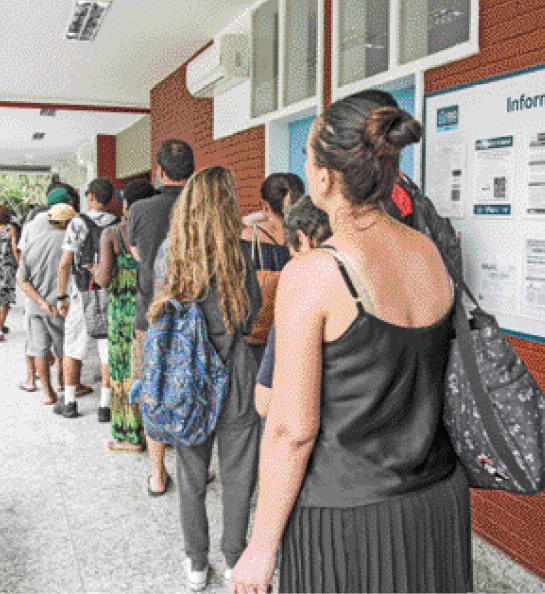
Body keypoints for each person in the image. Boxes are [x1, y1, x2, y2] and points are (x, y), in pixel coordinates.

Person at [230, 93, 472, 594]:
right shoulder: (429, 250)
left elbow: (291, 430)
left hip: (346, 519)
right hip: (437, 501)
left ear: (322, 178)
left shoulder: (314, 273)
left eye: (306, 158)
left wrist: (261, 545)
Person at [149, 166, 262, 592]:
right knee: (238, 476)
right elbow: (251, 311)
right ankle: (235, 559)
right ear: (226, 205)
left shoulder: (169, 253)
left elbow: (160, 312)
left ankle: (197, 565)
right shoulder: (237, 252)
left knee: (192, 476)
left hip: (185, 379)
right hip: (234, 372)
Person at [127, 139, 194, 495]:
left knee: (153, 392)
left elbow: (139, 255)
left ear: (159, 172)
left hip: (149, 317)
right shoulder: (202, 208)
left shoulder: (139, 209)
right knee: (191, 389)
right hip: (194, 318)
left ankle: (157, 473)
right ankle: (195, 468)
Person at [254, 195, 332, 418]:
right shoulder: (381, 279)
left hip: (321, 436)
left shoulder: (300, 298)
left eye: (293, 254)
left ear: (303, 239)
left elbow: (265, 403)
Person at [94, 179, 156, 452]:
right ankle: (158, 435)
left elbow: (104, 279)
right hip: (153, 310)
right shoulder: (160, 231)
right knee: (151, 369)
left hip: (123, 315)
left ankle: (129, 436)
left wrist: (95, 269)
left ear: (127, 204)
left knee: (122, 370)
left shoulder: (113, 234)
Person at [56, 178, 118, 420]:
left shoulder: (77, 223)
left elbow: (64, 263)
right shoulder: (119, 223)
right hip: (109, 294)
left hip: (81, 293)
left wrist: (61, 295)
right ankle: (105, 407)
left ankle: (70, 403)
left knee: (73, 348)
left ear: (91, 196)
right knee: (107, 351)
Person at [17, 186, 80, 394]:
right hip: (63, 305)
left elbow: (22, 279)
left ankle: (47, 392)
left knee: (39, 350)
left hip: (37, 305)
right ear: (66, 222)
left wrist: (41, 303)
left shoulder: (32, 241)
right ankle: (63, 383)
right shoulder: (69, 244)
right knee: (64, 349)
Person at [240, 173, 299, 365]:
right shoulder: (308, 238)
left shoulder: (248, 236)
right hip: (295, 337)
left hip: (257, 339)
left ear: (265, 205)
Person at [0, 206, 19, 342]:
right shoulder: (10, 229)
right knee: (5, 298)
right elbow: (14, 248)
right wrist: (21, 265)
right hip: (7, 267)